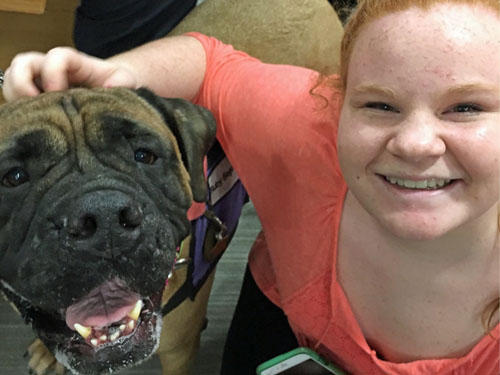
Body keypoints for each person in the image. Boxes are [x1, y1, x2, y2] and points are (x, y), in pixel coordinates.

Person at [2, 0, 499, 374]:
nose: (415, 144)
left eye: (467, 107)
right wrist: (121, 79)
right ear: (335, 102)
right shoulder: (305, 130)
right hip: (281, 315)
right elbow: (212, 63)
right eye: (379, 105)